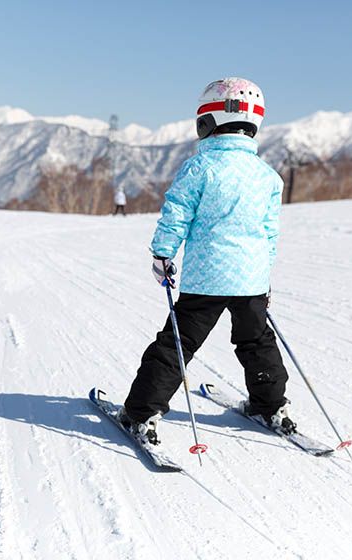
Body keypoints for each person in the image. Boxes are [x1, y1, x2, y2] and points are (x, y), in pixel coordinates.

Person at [119, 77, 293, 446]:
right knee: (257, 342)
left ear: (207, 120)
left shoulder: (200, 168)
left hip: (206, 280)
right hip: (251, 282)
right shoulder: (268, 177)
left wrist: (163, 254)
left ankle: (141, 412)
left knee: (177, 345)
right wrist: (264, 278)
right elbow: (269, 234)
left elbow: (177, 214)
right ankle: (270, 405)